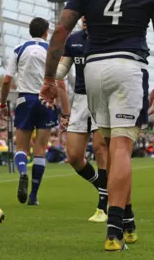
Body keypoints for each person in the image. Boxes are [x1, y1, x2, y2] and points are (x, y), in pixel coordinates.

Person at [39, 0, 154, 251]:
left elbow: (60, 30)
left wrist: (48, 77)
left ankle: (126, 218)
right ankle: (114, 232)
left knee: (110, 147)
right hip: (129, 67)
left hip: (94, 70)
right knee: (121, 149)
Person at [0, 17, 70, 206]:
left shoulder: (19, 50)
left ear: (30, 31)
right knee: (40, 149)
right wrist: (64, 112)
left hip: (25, 99)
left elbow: (6, 80)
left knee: (21, 148)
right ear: (46, 32)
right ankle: (33, 196)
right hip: (46, 100)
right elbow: (61, 84)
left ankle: (22, 173)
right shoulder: (51, 52)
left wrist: (3, 104)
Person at [52, 17, 109, 222]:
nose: (85, 18)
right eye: (83, 15)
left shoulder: (107, 39)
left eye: (89, 14)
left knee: (101, 148)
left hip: (103, 98)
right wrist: (47, 68)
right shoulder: (74, 40)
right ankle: (102, 187)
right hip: (80, 100)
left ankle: (103, 205)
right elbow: (62, 70)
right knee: (74, 157)